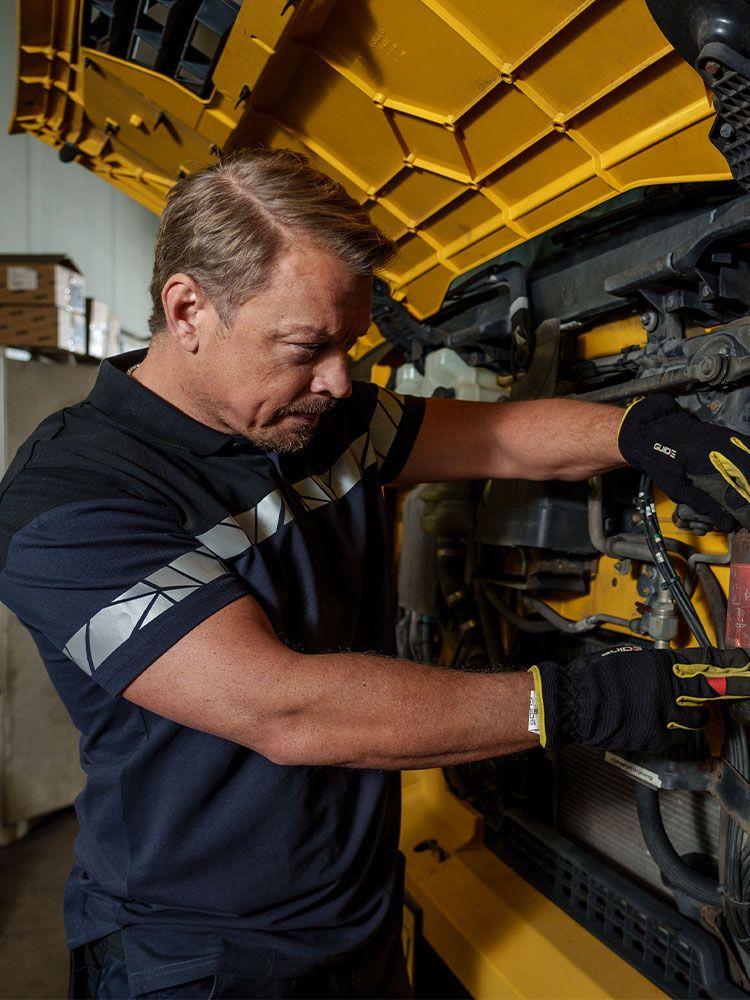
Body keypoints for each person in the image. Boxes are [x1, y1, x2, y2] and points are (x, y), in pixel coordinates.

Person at [0, 148, 748, 1000]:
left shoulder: (322, 419)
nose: (339, 379)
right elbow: (287, 709)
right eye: (307, 346)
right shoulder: (69, 504)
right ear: (188, 309)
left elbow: (498, 438)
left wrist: (647, 435)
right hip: (196, 957)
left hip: (358, 913)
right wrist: (582, 701)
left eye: (348, 344)